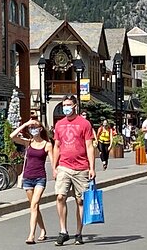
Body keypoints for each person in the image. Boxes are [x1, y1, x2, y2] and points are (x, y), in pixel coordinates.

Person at [52, 95, 95, 246]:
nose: (66, 108)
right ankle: (63, 231)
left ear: (75, 105)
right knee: (60, 197)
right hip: (64, 165)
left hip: (81, 167)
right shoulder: (59, 124)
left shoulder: (84, 124)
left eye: (69, 104)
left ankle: (79, 233)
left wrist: (92, 167)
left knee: (80, 200)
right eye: (64, 105)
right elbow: (56, 146)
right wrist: (54, 166)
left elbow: (89, 146)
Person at [10, 119, 53, 244]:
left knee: (34, 205)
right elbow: (12, 136)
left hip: (40, 177)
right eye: (31, 127)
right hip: (28, 178)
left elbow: (53, 159)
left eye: (35, 127)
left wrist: (56, 171)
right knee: (34, 206)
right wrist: (25, 124)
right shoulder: (28, 143)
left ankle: (31, 235)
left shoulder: (47, 144)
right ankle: (43, 230)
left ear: (40, 129)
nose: (33, 129)